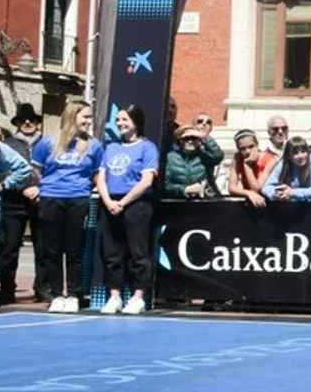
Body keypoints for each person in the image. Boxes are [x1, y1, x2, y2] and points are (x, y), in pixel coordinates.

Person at [31, 103, 100, 312]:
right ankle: (56, 295)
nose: (88, 121)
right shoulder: (47, 142)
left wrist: (82, 188)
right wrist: (48, 188)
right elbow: (37, 170)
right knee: (52, 250)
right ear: (72, 116)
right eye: (85, 117)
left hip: (78, 199)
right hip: (51, 198)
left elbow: (97, 174)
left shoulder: (94, 145)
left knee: (74, 250)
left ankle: (72, 294)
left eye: (90, 117)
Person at [96, 104, 160, 315]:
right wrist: (108, 201)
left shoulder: (147, 147)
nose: (121, 124)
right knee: (112, 254)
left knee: (138, 253)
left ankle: (138, 296)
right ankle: (114, 296)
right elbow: (101, 178)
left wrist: (123, 203)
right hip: (110, 204)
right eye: (119, 120)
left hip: (136, 205)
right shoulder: (112, 147)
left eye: (125, 120)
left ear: (136, 122)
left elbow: (146, 181)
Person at [0, 104, 42, 305]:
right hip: (12, 203)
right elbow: (3, 170)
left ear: (37, 122)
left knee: (43, 249)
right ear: (16, 123)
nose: (27, 123)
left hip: (40, 202)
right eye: (23, 120)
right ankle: (6, 289)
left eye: (31, 119)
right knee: (9, 248)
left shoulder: (47, 143)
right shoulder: (7, 144)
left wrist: (39, 189)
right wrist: (20, 187)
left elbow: (51, 169)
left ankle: (43, 288)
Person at [162, 124, 224, 200]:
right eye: (186, 139)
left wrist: (203, 136)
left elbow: (218, 155)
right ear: (179, 141)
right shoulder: (170, 157)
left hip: (205, 202)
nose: (190, 141)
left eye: (194, 138)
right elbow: (165, 184)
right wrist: (185, 189)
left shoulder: (205, 156)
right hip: (179, 203)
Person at [263, 137, 311, 202]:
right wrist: (277, 194)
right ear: (289, 155)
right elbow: (266, 188)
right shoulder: (284, 164)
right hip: (290, 208)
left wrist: (293, 192)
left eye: (303, 151)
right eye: (295, 153)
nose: (300, 156)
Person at [226, 130, 272, 208]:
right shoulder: (238, 158)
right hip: (251, 200)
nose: (247, 151)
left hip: (269, 202)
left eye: (251, 146)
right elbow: (231, 187)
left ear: (257, 145)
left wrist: (247, 165)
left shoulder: (270, 159)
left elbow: (256, 189)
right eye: (242, 149)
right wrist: (249, 193)